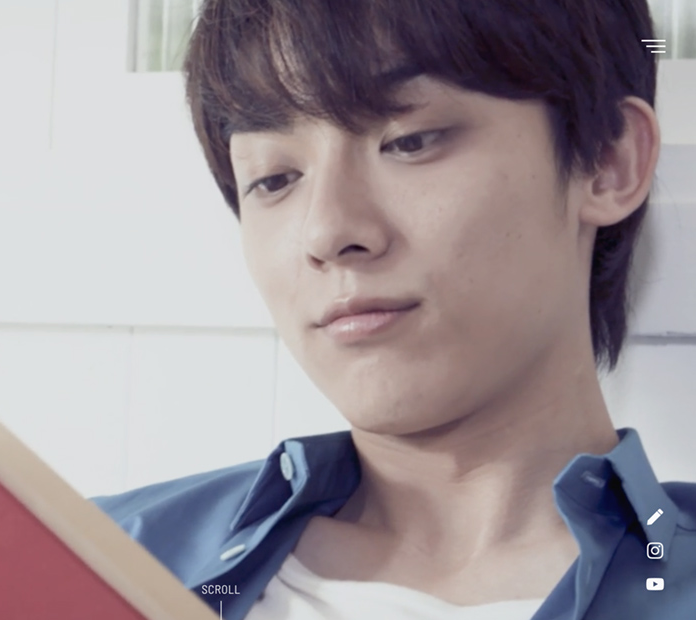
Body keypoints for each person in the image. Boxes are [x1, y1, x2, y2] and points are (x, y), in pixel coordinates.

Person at [92, 1, 696, 618]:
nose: (328, 231)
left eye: (409, 142)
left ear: (608, 161)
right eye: (274, 178)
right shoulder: (92, 560)